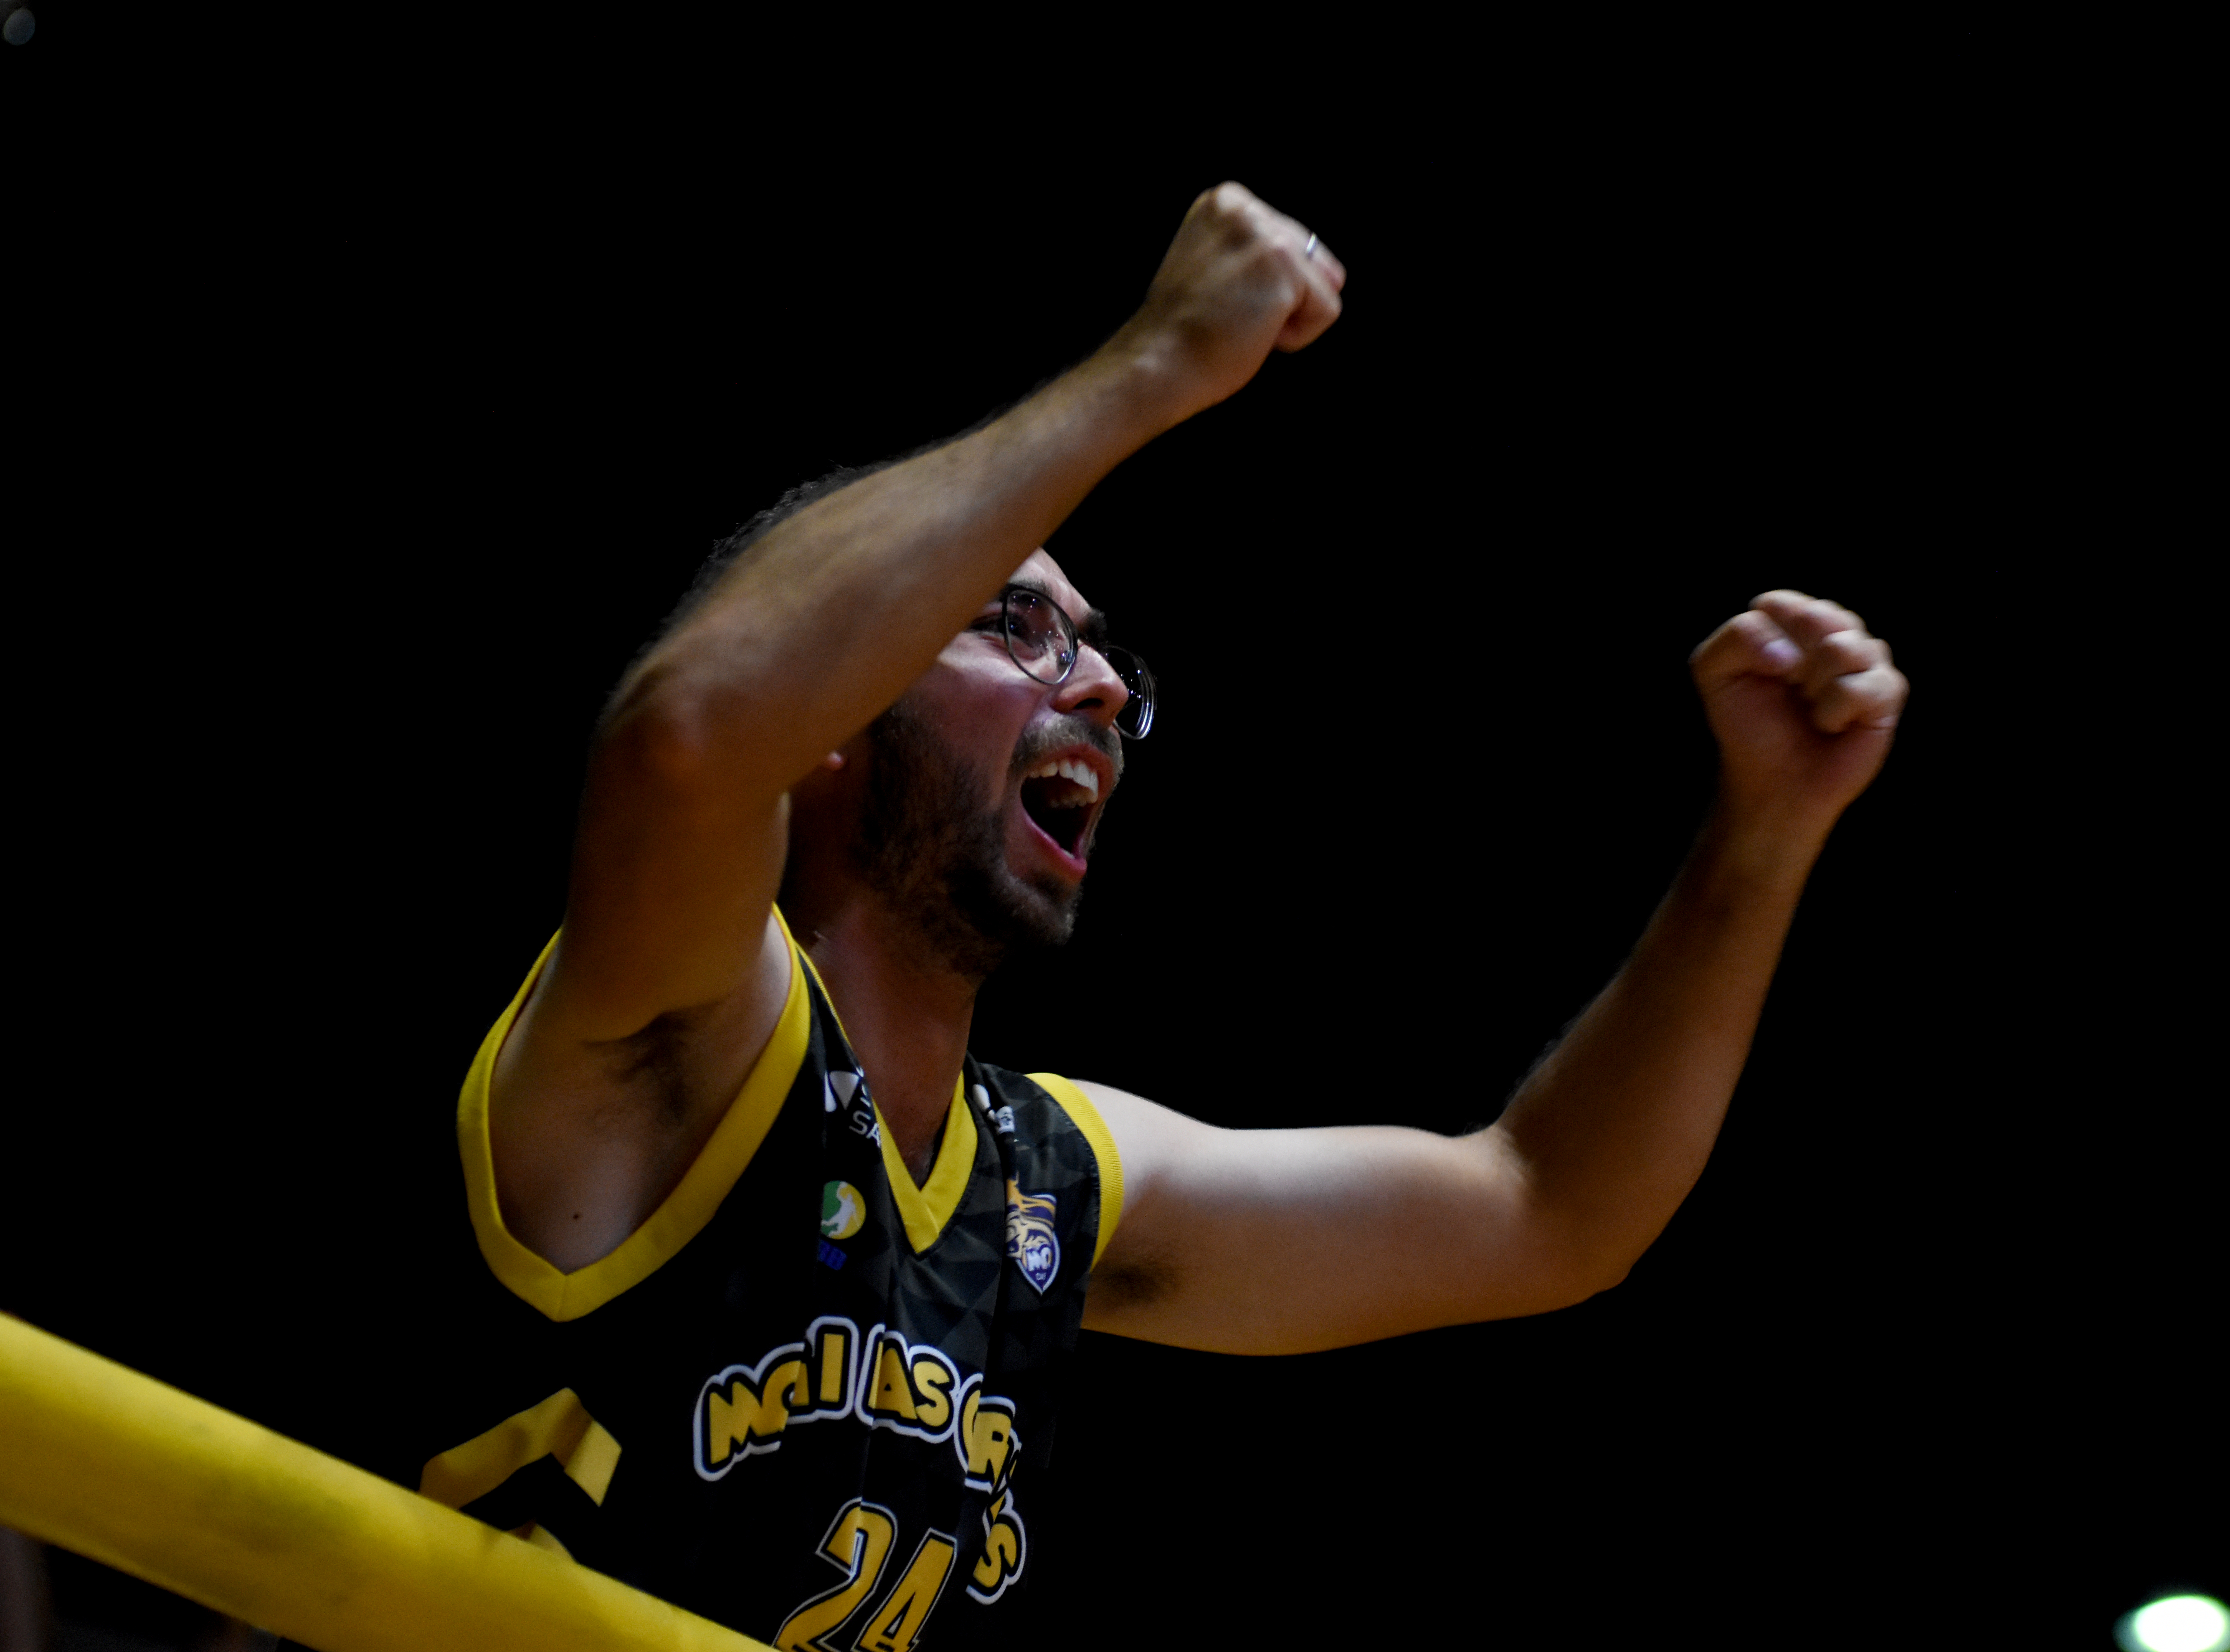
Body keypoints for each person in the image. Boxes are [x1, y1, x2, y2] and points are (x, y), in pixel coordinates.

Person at [410, 183, 1907, 1648]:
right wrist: (1153, 366)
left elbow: (1549, 1210)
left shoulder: (1046, 1181)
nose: (1100, 688)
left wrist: (1765, 836)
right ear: (834, 708)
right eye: (1016, 623)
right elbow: (688, 734)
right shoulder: (682, 1032)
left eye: (1103, 655)